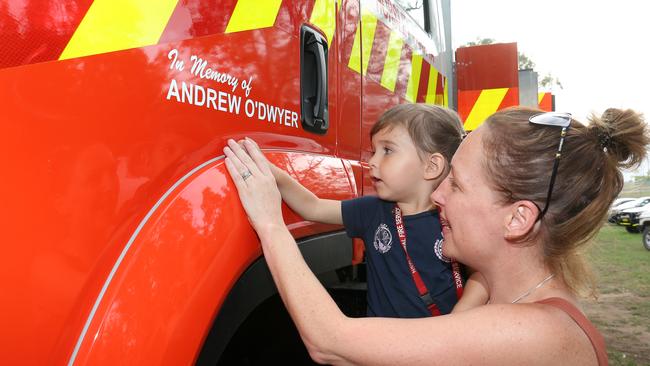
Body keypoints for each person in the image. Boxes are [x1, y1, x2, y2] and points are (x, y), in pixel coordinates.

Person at [223, 106, 647, 365]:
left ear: (518, 220)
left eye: (457, 184)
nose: (438, 195)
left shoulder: (535, 333)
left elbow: (329, 341)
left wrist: (269, 223)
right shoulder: (508, 301)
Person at [241, 103, 465, 317]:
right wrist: (270, 171)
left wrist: (459, 320)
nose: (373, 162)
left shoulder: (455, 219)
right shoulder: (371, 211)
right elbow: (313, 207)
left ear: (431, 166)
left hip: (439, 347)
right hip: (380, 347)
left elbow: (481, 278)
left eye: (387, 150)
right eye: (373, 151)